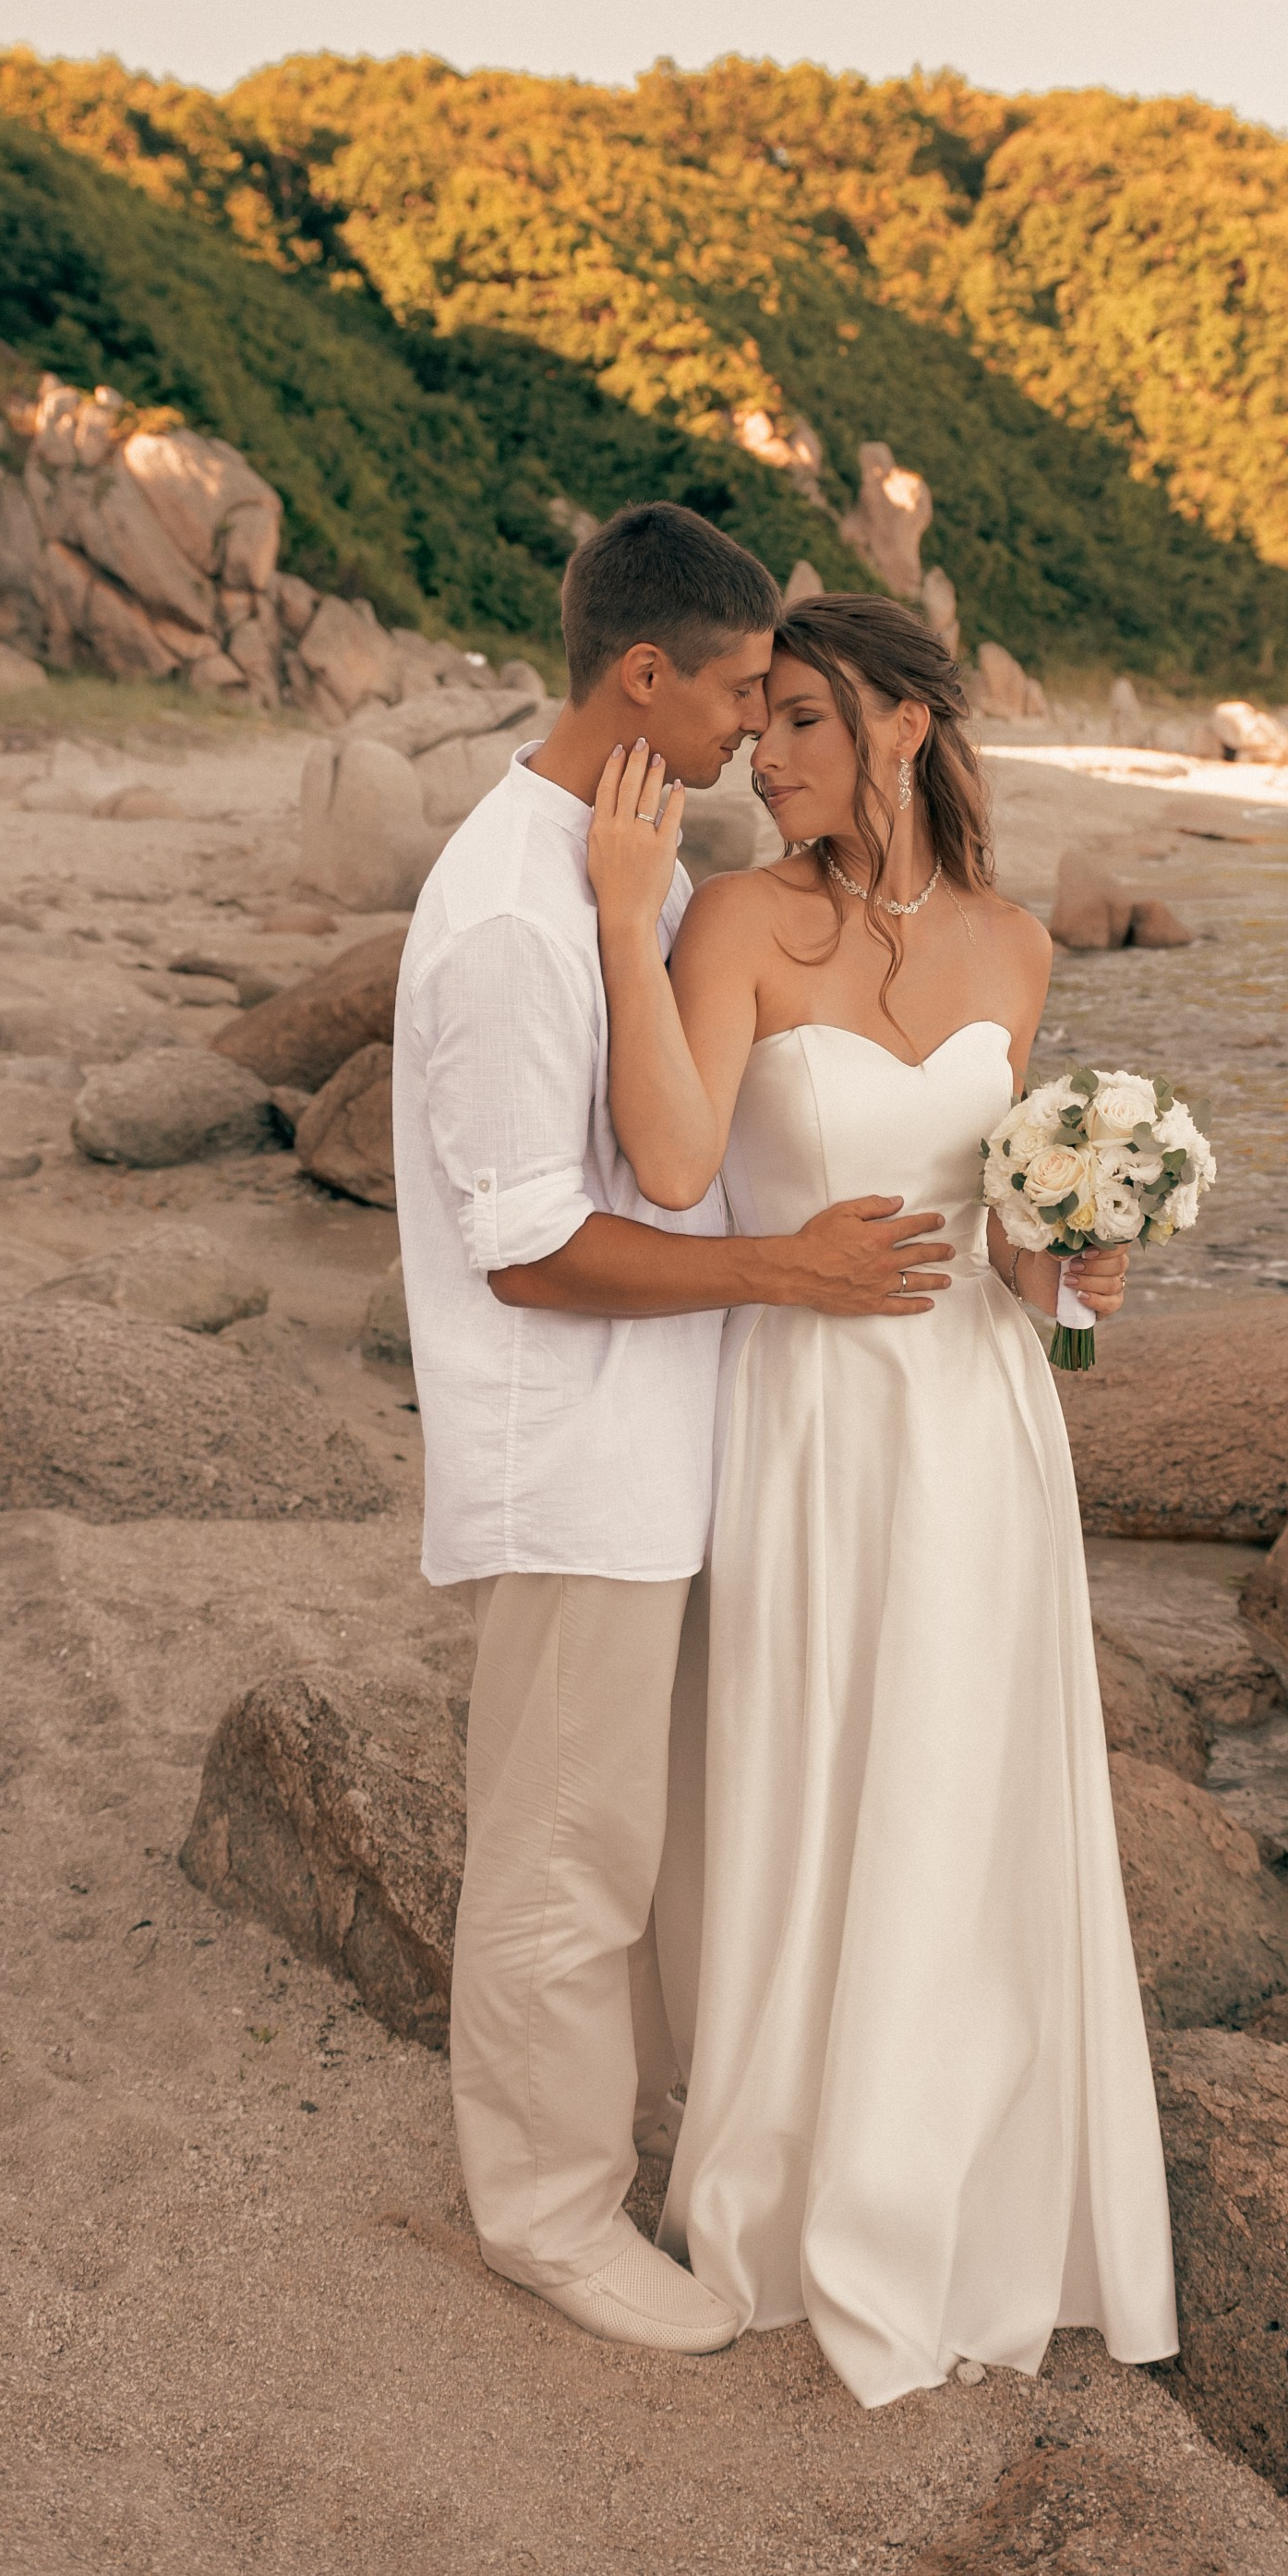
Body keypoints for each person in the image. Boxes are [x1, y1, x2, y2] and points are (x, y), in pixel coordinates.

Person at [584, 591, 1176, 2407]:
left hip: (984, 1433)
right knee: (823, 1779)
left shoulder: (1014, 946)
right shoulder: (741, 916)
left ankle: (973, 2196)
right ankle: (811, 2195)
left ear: (909, 723)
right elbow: (679, 1162)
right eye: (759, 725)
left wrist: (1080, 1260)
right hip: (817, 1423)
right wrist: (627, 918)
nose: (765, 756)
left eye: (806, 725)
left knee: (960, 1802)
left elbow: (1020, 1271)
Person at [391, 509, 957, 2360]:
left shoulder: (593, 871)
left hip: (663, 1446)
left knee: (629, 1847)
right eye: (732, 689)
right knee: (564, 1857)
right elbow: (535, 1248)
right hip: (573, 1456)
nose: (745, 731)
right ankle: (544, 2214)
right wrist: (784, 1272)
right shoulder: (506, 915)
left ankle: (612, 2156)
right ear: (643, 675)